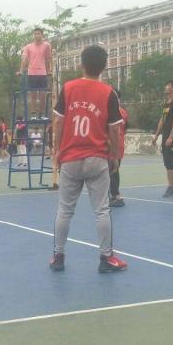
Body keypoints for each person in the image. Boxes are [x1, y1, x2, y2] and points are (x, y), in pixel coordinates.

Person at [50, 44, 127, 273]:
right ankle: (106, 258)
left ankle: (58, 257)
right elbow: (114, 129)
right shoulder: (109, 93)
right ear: (103, 67)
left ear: (81, 64)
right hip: (97, 157)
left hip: (71, 157)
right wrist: (114, 155)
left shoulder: (68, 88)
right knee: (102, 210)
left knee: (65, 210)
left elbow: (59, 121)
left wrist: (56, 150)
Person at [18, 27, 52, 119]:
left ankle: (41, 115)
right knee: (33, 95)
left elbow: (48, 59)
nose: (36, 35)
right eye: (35, 34)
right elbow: (24, 59)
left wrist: (48, 71)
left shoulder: (47, 45)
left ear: (42, 35)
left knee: (43, 95)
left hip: (42, 73)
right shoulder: (28, 47)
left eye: (38, 33)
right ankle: (33, 115)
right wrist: (21, 71)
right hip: (32, 73)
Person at [109, 89, 130, 207]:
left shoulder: (110, 111)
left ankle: (115, 195)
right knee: (114, 170)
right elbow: (125, 129)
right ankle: (115, 194)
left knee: (111, 171)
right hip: (119, 144)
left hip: (111, 144)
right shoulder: (123, 112)